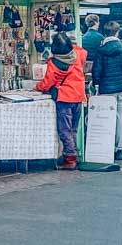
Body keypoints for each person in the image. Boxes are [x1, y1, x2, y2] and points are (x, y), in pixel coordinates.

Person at [36, 32, 87, 170]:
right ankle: (74, 154)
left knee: (64, 129)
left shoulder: (55, 63)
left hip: (64, 97)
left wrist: (37, 87)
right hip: (79, 94)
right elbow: (83, 52)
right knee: (74, 128)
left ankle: (70, 159)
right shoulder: (77, 53)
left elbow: (47, 83)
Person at [92, 21, 122, 160]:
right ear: (117, 32)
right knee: (120, 117)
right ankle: (119, 148)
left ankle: (106, 146)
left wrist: (97, 84)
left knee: (106, 118)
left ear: (105, 33)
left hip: (105, 88)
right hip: (120, 88)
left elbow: (96, 70)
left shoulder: (101, 50)